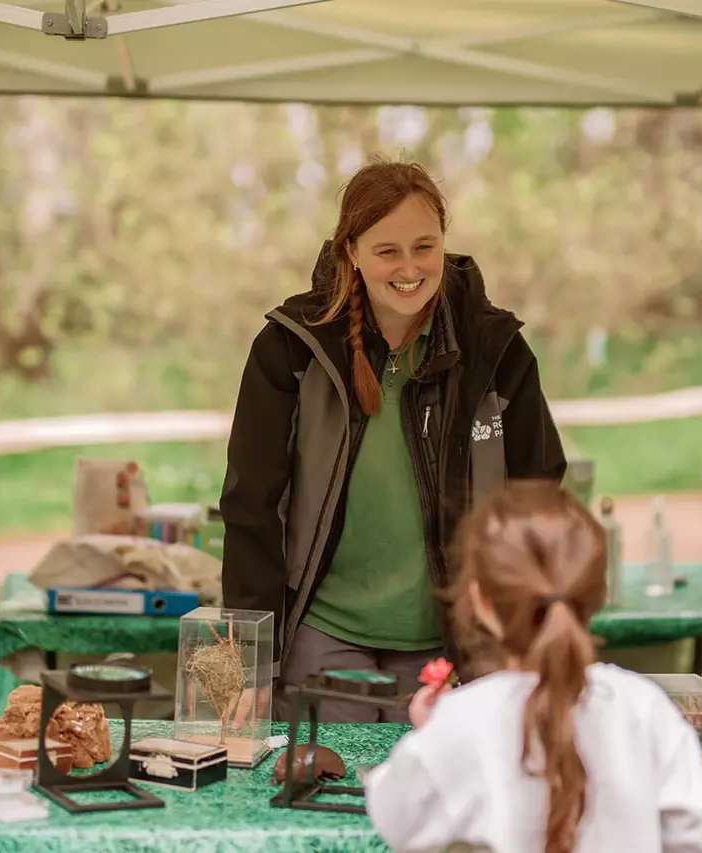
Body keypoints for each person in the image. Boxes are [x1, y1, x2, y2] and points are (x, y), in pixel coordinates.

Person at [220, 158, 566, 723]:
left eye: (423, 247)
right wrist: (252, 660)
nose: (409, 268)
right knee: (323, 799)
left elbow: (538, 496)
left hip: (451, 644)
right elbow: (251, 504)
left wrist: (522, 631)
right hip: (322, 637)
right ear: (351, 252)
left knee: (442, 805)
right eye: (387, 251)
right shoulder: (291, 350)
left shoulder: (495, 349)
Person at [363, 481, 702, 853]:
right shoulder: (644, 709)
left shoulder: (462, 722)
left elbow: (395, 815)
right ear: (596, 592)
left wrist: (435, 734)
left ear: (481, 601)